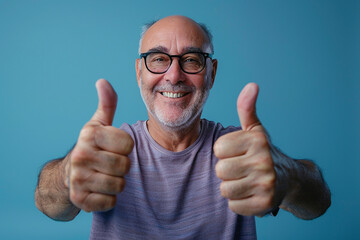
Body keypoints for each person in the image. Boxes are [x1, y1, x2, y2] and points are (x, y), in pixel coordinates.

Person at [35, 15, 331, 239]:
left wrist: (288, 177)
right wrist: (66, 175)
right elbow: (48, 205)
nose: (174, 75)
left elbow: (319, 204)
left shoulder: (241, 153)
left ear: (211, 73)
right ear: (139, 72)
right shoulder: (106, 150)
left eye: (191, 60)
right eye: (159, 59)